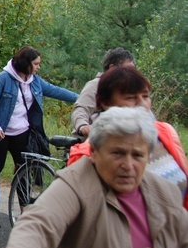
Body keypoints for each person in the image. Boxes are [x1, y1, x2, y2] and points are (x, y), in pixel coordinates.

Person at [0, 107, 188, 248]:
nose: (128, 165)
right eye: (117, 153)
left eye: (138, 155)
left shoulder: (165, 193)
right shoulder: (76, 182)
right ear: (94, 153)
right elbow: (38, 223)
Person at [68, 66, 188, 207]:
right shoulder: (89, 153)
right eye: (130, 98)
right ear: (106, 103)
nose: (142, 104)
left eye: (145, 96)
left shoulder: (165, 132)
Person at [0, 46, 78, 174]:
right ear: (25, 63)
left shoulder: (35, 81)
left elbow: (55, 91)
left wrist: (80, 98)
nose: (38, 67)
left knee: (24, 171)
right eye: (36, 64)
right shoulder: (2, 79)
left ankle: (24, 194)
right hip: (0, 134)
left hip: (22, 133)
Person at [71, 47, 134, 138]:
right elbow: (81, 109)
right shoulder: (95, 86)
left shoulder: (130, 90)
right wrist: (83, 126)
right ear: (112, 68)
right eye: (127, 69)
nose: (131, 74)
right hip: (90, 142)